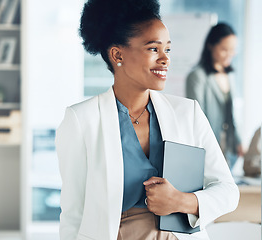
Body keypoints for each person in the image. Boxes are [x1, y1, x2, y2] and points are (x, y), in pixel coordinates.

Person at [56, 0, 239, 240]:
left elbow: (228, 192)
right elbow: (73, 215)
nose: (165, 59)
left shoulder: (188, 113)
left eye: (168, 49)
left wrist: (181, 200)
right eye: (153, 49)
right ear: (117, 54)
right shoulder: (82, 120)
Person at [186, 23, 243, 169]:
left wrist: (238, 142)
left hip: (228, 146)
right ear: (211, 46)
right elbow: (199, 117)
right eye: (224, 49)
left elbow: (232, 114)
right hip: (208, 145)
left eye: (233, 50)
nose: (230, 54)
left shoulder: (230, 75)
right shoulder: (197, 76)